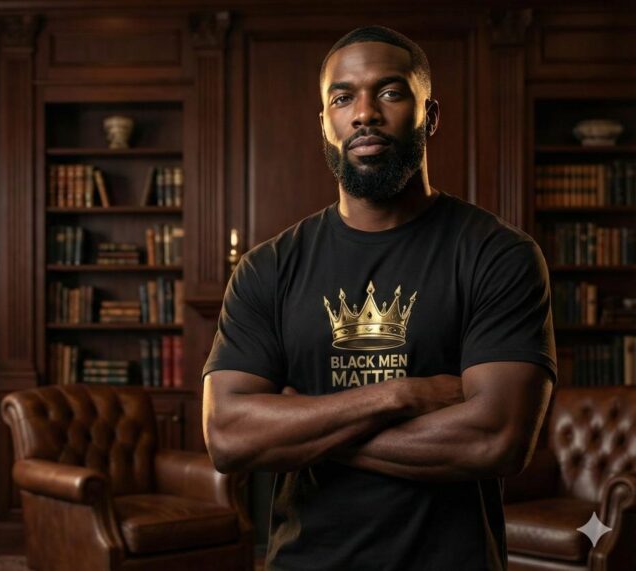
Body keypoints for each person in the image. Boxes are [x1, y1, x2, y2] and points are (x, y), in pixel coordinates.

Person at [201, 26, 556, 571]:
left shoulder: (497, 255)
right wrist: (398, 398)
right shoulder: (268, 268)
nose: (364, 112)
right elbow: (228, 437)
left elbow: (497, 439)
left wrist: (302, 425)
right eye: (342, 98)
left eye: (389, 92)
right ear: (325, 123)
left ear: (428, 116)